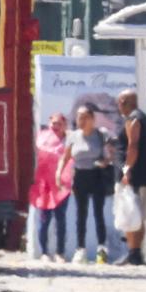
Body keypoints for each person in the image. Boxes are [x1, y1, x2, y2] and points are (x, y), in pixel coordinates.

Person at [57, 106, 112, 264]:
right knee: (81, 215)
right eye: (78, 117)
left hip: (97, 175)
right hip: (80, 176)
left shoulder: (100, 135)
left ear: (92, 119)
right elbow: (65, 157)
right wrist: (59, 173)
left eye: (84, 117)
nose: (80, 121)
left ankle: (102, 251)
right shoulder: (73, 136)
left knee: (98, 213)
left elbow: (109, 156)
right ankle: (80, 250)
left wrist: (104, 162)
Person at [115, 89, 146, 266]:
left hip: (135, 175)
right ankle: (134, 252)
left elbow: (133, 146)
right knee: (138, 214)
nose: (118, 106)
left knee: (132, 212)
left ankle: (134, 253)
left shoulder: (133, 119)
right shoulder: (144, 118)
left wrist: (126, 169)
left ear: (124, 101)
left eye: (119, 102)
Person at [32, 113, 70, 262]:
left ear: (64, 125)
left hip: (62, 185)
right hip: (45, 185)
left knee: (60, 219)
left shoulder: (69, 140)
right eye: (53, 123)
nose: (55, 127)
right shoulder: (41, 138)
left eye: (59, 124)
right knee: (44, 219)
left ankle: (60, 252)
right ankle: (44, 253)